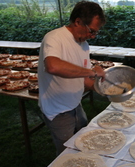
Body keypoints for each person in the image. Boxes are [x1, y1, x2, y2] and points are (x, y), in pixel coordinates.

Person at [38, 1, 106, 155]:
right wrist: (93, 72)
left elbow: (86, 80)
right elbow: (52, 66)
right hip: (58, 110)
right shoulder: (54, 38)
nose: (93, 36)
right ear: (78, 22)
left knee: (83, 143)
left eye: (96, 32)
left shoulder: (84, 45)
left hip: (75, 105)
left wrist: (106, 90)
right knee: (66, 156)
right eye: (92, 31)